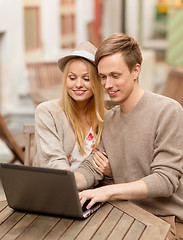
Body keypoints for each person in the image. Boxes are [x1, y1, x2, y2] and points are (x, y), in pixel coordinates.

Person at [74, 33, 183, 239]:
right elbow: (93, 166)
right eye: (102, 77)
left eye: (115, 75)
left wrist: (108, 191)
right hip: (123, 215)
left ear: (136, 71)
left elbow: (165, 180)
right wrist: (66, 182)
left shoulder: (168, 111)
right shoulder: (111, 118)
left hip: (164, 221)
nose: (107, 85)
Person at [34, 41, 111, 176]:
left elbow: (105, 165)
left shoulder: (105, 118)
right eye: (72, 78)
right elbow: (54, 160)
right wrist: (70, 186)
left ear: (98, 81)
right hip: (55, 187)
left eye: (86, 79)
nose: (78, 84)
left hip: (92, 191)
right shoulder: (48, 112)